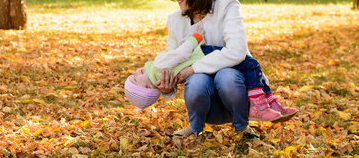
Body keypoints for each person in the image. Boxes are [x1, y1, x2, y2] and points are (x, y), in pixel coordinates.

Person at [141, 0, 293, 139]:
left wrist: (193, 68)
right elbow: (172, 60)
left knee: (226, 75)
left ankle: (242, 127)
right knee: (196, 81)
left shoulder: (228, 6)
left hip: (236, 93)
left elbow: (237, 51)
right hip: (205, 101)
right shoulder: (175, 20)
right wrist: (167, 87)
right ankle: (195, 127)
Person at [124, 26, 297, 122]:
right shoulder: (157, 67)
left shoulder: (160, 75)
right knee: (250, 64)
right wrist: (196, 37)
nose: (135, 73)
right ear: (148, 87)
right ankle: (261, 103)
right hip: (202, 53)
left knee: (248, 65)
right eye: (134, 79)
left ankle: (268, 101)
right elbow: (180, 54)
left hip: (204, 64)